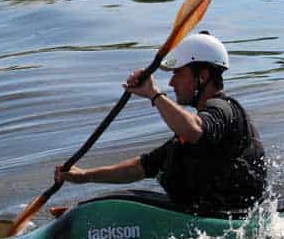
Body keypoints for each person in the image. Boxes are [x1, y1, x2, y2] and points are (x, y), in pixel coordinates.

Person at [54, 32, 266, 214]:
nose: (172, 83)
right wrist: (85, 176)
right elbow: (139, 168)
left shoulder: (224, 110)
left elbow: (194, 129)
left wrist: (153, 94)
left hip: (231, 217)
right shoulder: (192, 132)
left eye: (178, 73)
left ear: (202, 76)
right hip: (207, 214)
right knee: (124, 198)